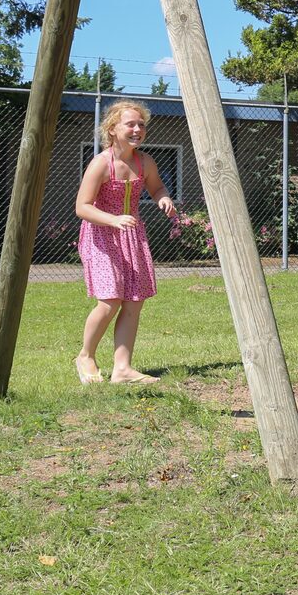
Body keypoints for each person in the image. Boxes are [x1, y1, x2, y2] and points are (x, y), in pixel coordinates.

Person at [74, 100, 177, 385]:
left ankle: (122, 369)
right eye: (130, 124)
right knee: (109, 300)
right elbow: (82, 207)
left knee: (133, 301)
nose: (137, 129)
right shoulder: (101, 163)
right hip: (101, 235)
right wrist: (113, 219)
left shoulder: (145, 162)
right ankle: (85, 355)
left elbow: (156, 187)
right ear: (112, 129)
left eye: (141, 124)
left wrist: (163, 198)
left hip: (132, 235)